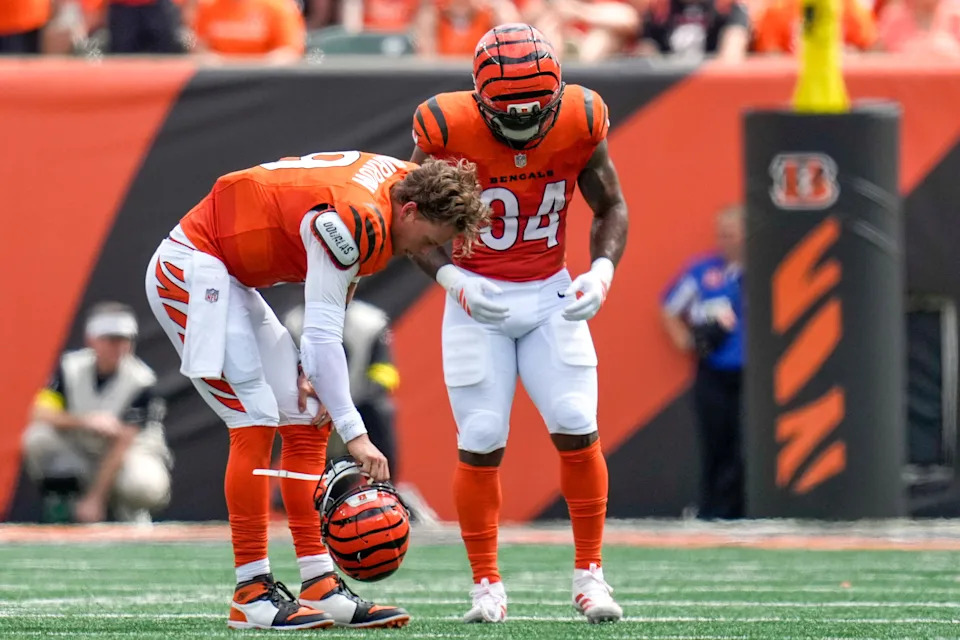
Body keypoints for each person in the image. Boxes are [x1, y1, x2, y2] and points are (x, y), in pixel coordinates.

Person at [145, 151, 490, 631]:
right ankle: (251, 592)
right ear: (410, 211)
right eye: (430, 240)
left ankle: (318, 583)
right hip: (193, 267)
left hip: (230, 274)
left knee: (307, 414)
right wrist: (357, 435)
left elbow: (337, 293)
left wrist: (317, 377)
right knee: (254, 415)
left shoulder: (404, 186)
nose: (423, 251)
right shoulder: (357, 217)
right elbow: (323, 337)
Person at [409, 24, 629, 624]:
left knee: (576, 421)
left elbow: (610, 203)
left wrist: (602, 269)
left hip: (551, 292)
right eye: (510, 114)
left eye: (537, 111)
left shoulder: (582, 118)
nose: (525, 125)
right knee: (481, 434)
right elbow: (407, 215)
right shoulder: (445, 126)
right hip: (476, 299)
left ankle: (590, 577)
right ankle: (486, 585)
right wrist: (452, 279)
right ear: (480, 101)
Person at [22, 302, 172, 524]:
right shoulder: (70, 368)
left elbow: (124, 441)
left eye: (125, 340)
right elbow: (40, 413)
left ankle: (128, 510)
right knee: (38, 438)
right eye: (111, 339)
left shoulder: (142, 381)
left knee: (143, 484)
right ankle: (64, 502)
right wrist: (85, 421)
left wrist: (96, 499)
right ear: (92, 339)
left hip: (127, 457)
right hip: (83, 451)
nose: (119, 347)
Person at [661, 205, 744, 520]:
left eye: (731, 234)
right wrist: (686, 341)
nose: (725, 241)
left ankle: (744, 508)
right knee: (715, 439)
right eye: (721, 235)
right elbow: (669, 308)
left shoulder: (762, 272)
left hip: (754, 375)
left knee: (747, 443)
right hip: (714, 371)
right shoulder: (703, 272)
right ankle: (713, 510)